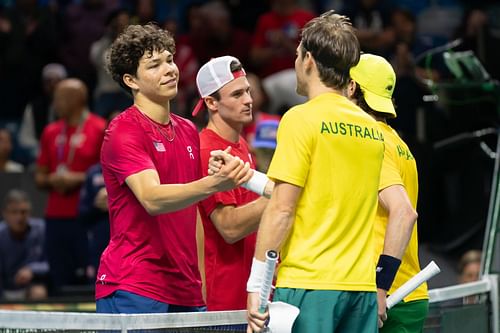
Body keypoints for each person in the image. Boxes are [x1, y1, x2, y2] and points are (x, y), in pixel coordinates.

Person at [95, 23, 252, 314]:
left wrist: (199, 283)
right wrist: (215, 183)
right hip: (135, 286)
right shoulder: (124, 130)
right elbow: (152, 198)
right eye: (154, 65)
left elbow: (192, 212)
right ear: (131, 80)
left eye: (169, 60)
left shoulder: (187, 130)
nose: (169, 69)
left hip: (187, 291)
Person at [246, 11, 384, 333]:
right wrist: (249, 177)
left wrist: (257, 287)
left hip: (311, 286)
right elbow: (324, 193)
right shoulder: (373, 129)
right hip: (360, 290)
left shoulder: (300, 119)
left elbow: (282, 208)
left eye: (296, 54)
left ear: (308, 59)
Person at [348, 53, 429, 332]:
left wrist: (381, 286)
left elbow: (404, 213)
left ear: (353, 89)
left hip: (386, 298)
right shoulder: (398, 143)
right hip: (406, 293)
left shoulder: (372, 141)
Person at [192, 56, 271, 311]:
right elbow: (229, 228)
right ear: (211, 102)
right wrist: (281, 196)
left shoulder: (242, 146)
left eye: (247, 91)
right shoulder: (207, 150)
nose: (248, 100)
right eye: (236, 94)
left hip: (247, 290)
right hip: (222, 299)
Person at [35, 78, 106, 294]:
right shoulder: (51, 131)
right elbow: (39, 177)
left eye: (59, 98)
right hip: (55, 216)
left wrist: (76, 179)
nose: (54, 103)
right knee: (59, 277)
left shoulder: (100, 128)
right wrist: (53, 180)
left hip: (88, 217)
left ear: (76, 100)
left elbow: (109, 173)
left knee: (91, 277)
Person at [0, 189, 49, 301]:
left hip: (31, 287)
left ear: (29, 212)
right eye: (14, 212)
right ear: (5, 214)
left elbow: (53, 263)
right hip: (5, 288)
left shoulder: (42, 230)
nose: (19, 217)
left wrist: (32, 270)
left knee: (39, 292)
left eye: (23, 212)